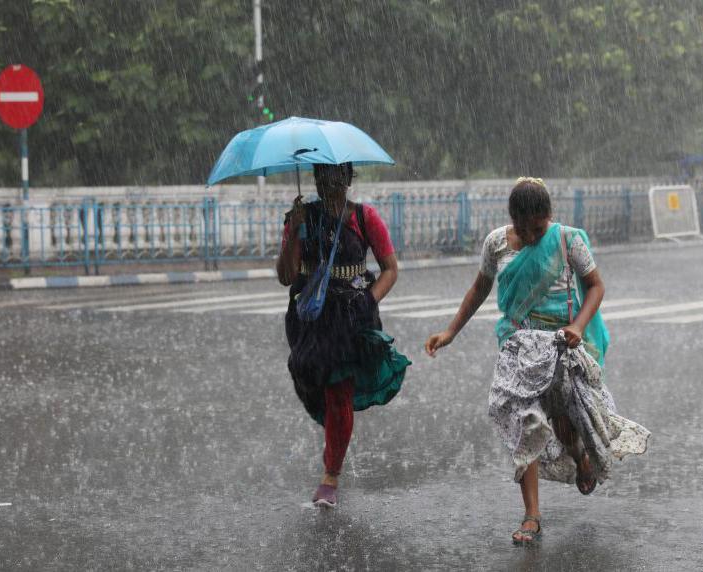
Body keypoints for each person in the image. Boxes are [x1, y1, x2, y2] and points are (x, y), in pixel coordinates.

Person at [424, 177, 649, 544]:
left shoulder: (567, 239)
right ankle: (531, 515)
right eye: (523, 227)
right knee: (523, 421)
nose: (531, 235)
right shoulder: (496, 243)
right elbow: (479, 288)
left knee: (563, 422)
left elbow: (596, 285)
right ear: (512, 218)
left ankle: (580, 457)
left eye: (538, 228)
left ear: (549, 217)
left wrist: (577, 325)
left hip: (561, 344)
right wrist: (451, 332)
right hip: (516, 345)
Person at [276, 162, 411, 508]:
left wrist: (369, 300)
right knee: (310, 382)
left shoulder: (364, 218)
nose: (329, 185)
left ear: (349, 180)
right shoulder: (299, 218)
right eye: (322, 178)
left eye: (337, 178)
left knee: (339, 394)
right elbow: (286, 275)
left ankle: (330, 476)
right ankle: (334, 438)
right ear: (315, 180)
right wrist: (295, 230)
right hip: (308, 322)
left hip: (351, 319)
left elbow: (390, 269)